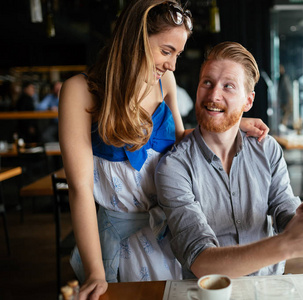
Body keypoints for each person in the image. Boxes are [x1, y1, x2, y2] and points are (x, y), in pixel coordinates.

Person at [58, 1, 268, 299]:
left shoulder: (164, 81)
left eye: (177, 54)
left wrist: (233, 122)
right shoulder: (80, 91)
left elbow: (183, 142)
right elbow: (79, 189)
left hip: (174, 230)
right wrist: (95, 272)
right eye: (166, 51)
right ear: (134, 39)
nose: (172, 65)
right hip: (121, 242)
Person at [155, 42, 303, 279]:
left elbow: (284, 211)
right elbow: (200, 260)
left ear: (248, 101)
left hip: (269, 287)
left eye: (228, 87)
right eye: (207, 83)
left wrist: (302, 217)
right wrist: (288, 244)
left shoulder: (267, 149)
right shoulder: (174, 166)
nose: (214, 95)